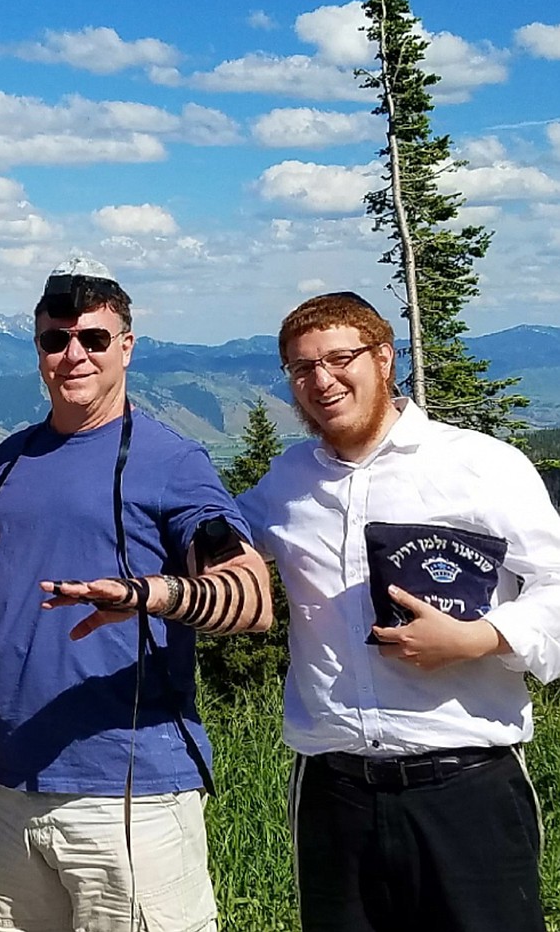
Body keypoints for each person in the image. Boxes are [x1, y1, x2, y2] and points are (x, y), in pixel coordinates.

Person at [0, 257, 272, 932]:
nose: (73, 354)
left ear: (127, 346)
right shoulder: (10, 457)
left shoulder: (173, 460)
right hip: (10, 783)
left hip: (130, 791)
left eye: (94, 339)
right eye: (55, 339)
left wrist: (151, 595)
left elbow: (250, 595)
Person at [237, 291, 560, 932]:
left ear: (384, 358)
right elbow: (217, 539)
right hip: (334, 793)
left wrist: (484, 637)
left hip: (468, 785)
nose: (320, 381)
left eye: (339, 358)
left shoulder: (479, 466)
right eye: (301, 368)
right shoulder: (287, 480)